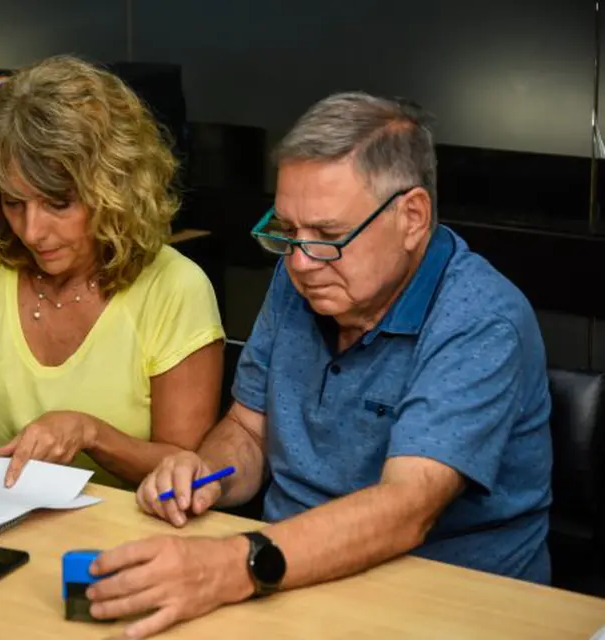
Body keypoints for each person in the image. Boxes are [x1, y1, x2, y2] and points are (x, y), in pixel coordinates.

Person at [83, 92, 553, 638]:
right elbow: (248, 431)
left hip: (444, 605)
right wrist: (204, 474)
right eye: (288, 231)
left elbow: (406, 509)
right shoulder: (305, 277)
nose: (301, 263)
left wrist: (231, 565)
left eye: (329, 236)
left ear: (412, 217)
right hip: (283, 577)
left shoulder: (479, 319)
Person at [0, 54, 225, 489]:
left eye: (58, 204)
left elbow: (186, 468)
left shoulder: (176, 289)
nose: (32, 232)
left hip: (120, 524)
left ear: (114, 190)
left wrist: (91, 434)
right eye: (13, 203)